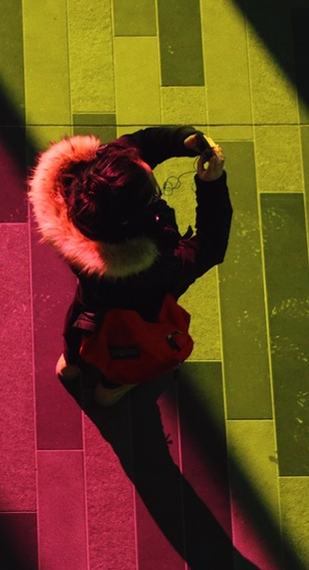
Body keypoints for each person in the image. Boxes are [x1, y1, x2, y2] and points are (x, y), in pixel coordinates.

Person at [27, 125, 232, 405]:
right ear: (134, 221)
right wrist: (212, 186)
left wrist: (181, 140)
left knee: (81, 323)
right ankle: (110, 390)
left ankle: (71, 365)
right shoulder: (159, 265)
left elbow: (139, 145)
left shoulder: (85, 184)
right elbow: (210, 246)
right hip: (144, 311)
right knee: (130, 349)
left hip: (92, 300)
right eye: (154, 193)